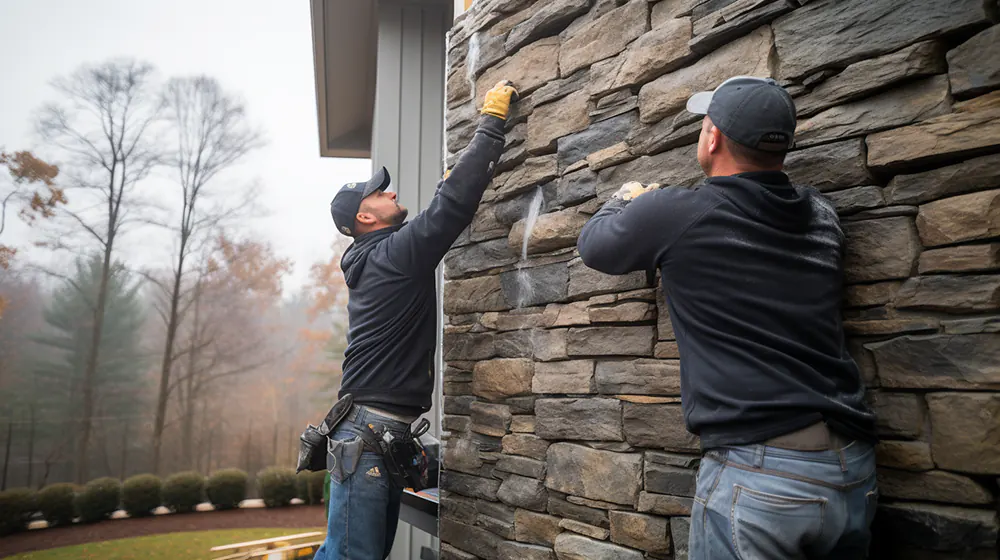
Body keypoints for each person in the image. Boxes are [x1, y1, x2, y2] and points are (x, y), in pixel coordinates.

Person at [577, 76, 878, 559]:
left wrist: (624, 199)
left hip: (762, 477)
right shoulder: (822, 215)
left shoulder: (678, 212)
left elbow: (595, 246)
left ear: (712, 137)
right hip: (852, 469)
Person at [310, 80, 518, 560]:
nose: (392, 191)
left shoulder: (384, 255)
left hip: (375, 433)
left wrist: (452, 179)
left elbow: (435, 214)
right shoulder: (392, 256)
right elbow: (450, 209)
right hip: (365, 434)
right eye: (380, 193)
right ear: (365, 218)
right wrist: (490, 125)